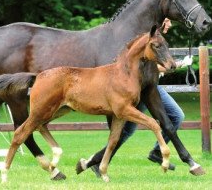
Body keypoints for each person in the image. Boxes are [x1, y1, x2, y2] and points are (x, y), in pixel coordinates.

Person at [79, 18, 193, 177]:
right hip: (140, 90)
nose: (170, 24)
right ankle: (95, 161)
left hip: (151, 87)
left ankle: (156, 152)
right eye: (168, 21)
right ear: (162, 22)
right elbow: (148, 64)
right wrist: (179, 64)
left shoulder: (159, 39)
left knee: (176, 116)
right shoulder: (148, 39)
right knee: (126, 131)